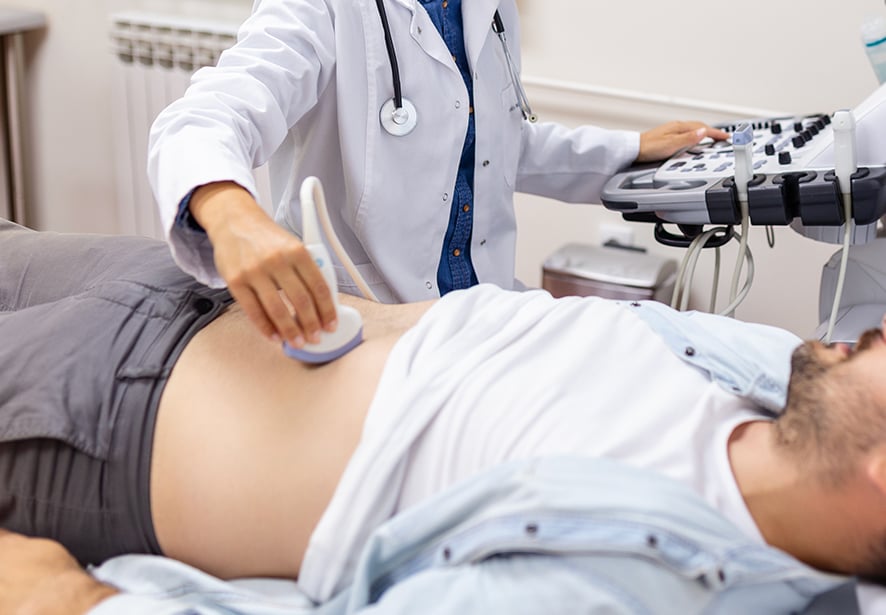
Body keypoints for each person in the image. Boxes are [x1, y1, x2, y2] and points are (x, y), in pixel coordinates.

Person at [0, 218, 878, 614]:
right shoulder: (765, 373)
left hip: (102, 415)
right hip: (186, 289)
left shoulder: (626, 588)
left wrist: (73, 601)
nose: (872, 333)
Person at [148, 0, 729, 352]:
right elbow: (206, 118)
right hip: (371, 319)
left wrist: (630, 148)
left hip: (483, 312)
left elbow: (491, 144)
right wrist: (229, 212)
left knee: (654, 346)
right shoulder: (318, 8)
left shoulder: (487, 10)